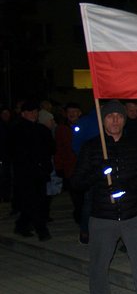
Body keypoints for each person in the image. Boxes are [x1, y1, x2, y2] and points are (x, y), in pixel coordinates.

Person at [71, 100, 137, 294]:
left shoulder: (135, 144)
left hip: (133, 214)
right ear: (103, 120)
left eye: (119, 116)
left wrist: (126, 185)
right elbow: (77, 182)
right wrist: (99, 173)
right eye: (110, 116)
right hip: (103, 216)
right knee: (99, 264)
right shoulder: (92, 147)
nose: (115, 120)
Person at [10, 99, 55, 240]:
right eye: (30, 112)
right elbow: (14, 152)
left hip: (39, 172)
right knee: (33, 201)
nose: (33, 114)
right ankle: (41, 230)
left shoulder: (41, 129)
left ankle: (22, 225)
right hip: (25, 173)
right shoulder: (17, 130)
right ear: (23, 113)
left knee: (36, 200)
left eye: (35, 111)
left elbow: (51, 148)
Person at [55, 102, 84, 229]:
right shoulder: (62, 129)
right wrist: (59, 166)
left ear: (80, 113)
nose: (72, 114)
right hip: (70, 167)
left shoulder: (85, 126)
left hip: (84, 167)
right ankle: (79, 216)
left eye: (75, 111)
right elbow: (58, 148)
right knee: (75, 195)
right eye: (69, 112)